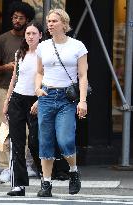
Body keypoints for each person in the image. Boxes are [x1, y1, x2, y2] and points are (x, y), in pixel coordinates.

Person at [35, 9, 88, 197]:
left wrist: (82, 101)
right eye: (48, 21)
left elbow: (82, 76)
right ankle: (46, 183)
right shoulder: (43, 46)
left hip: (66, 99)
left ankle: (73, 171)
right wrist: (37, 89)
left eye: (54, 21)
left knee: (65, 140)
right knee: (45, 142)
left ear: (64, 24)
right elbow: (39, 72)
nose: (49, 24)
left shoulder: (78, 46)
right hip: (46, 96)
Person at [0, 1, 35, 183]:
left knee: (24, 130)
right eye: (15, 17)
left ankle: (21, 164)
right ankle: (2, 164)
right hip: (4, 88)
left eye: (21, 18)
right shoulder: (2, 39)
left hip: (26, 90)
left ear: (27, 20)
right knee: (4, 127)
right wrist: (7, 67)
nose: (17, 20)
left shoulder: (30, 39)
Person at [3, 21, 43, 196]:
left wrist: (40, 100)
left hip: (36, 100)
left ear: (41, 35)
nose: (30, 36)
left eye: (34, 33)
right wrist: (7, 101)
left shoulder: (45, 54)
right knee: (16, 142)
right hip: (17, 100)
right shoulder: (20, 53)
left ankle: (45, 177)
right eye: (28, 33)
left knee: (35, 142)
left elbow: (48, 80)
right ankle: (18, 185)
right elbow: (14, 79)